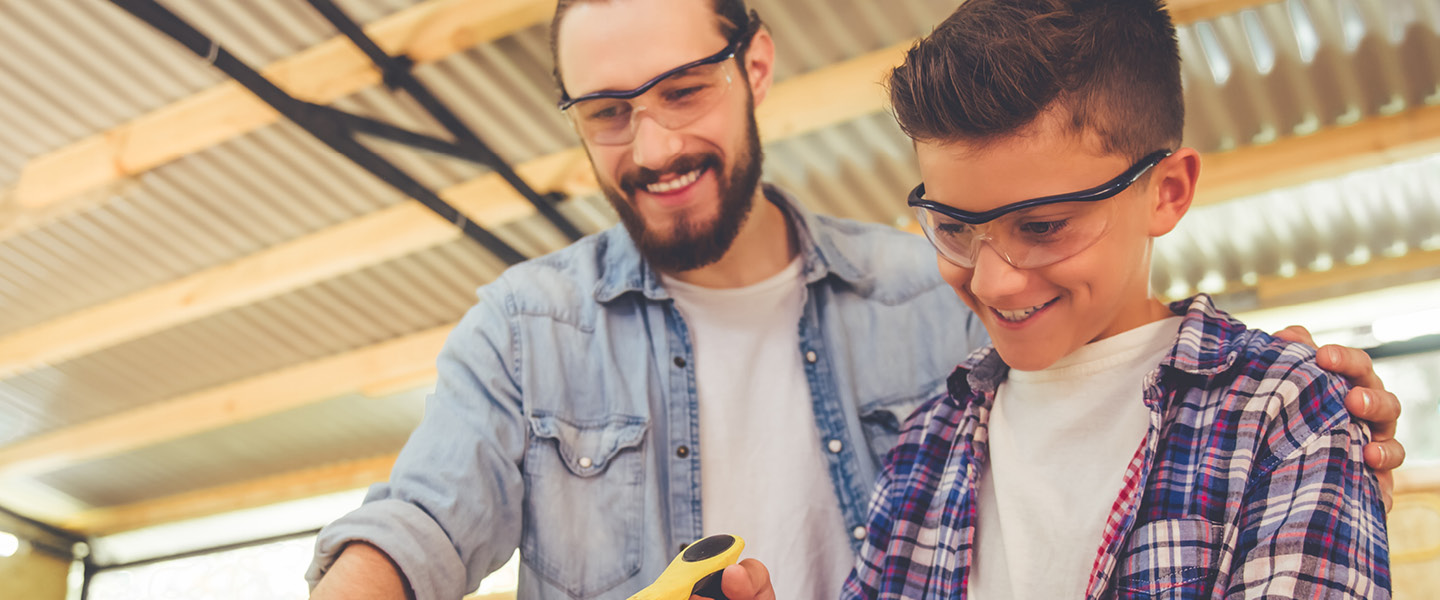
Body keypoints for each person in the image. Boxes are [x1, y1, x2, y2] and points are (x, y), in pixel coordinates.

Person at [307, 1, 1405, 599]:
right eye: (605, 112)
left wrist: (1303, 392)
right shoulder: (523, 332)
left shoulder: (924, 314)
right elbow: (417, 524)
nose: (653, 144)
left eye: (683, 90)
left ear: (757, 66)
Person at [718, 1, 1392, 598]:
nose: (992, 282)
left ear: (1167, 192)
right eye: (954, 227)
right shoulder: (925, 444)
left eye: (1042, 228)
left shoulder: (1283, 419)